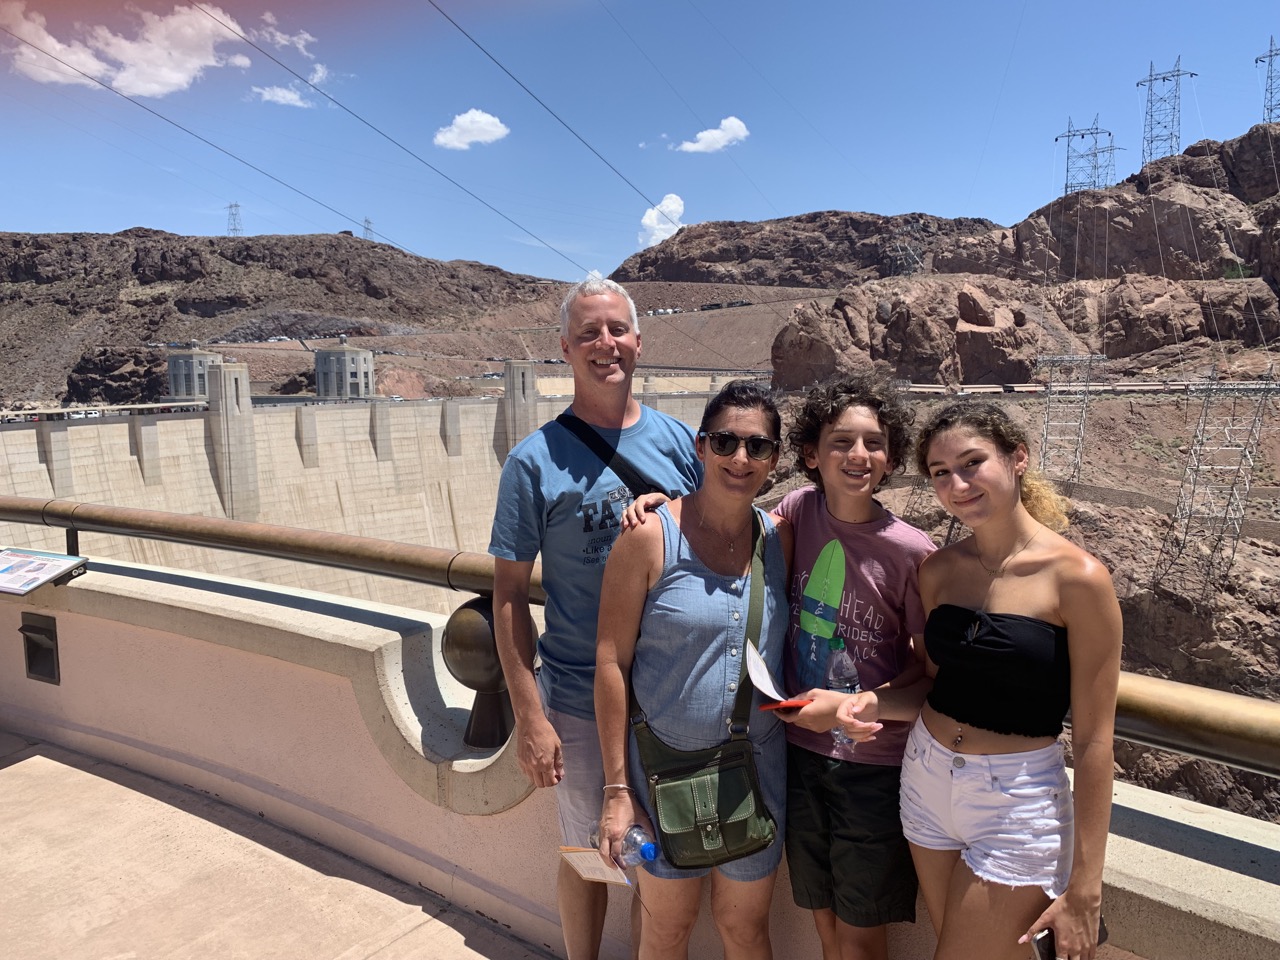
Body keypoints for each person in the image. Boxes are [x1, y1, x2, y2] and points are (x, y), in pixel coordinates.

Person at [488, 277, 702, 960]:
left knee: (656, 863)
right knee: (587, 851)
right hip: (578, 700)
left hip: (668, 699)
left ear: (638, 340)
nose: (605, 344)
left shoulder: (680, 443)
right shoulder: (533, 462)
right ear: (565, 349)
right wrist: (531, 716)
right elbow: (507, 597)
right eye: (589, 333)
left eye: (616, 330)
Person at [900, 400, 1122, 960]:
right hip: (926, 783)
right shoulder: (939, 570)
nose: (958, 484)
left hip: (1017, 802)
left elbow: (1096, 740)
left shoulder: (1079, 579)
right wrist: (856, 706)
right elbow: (934, 686)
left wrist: (1085, 885)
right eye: (940, 473)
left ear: (1017, 458)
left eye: (973, 463)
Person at [595, 380, 792, 960]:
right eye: (726, 442)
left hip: (756, 777)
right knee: (666, 931)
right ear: (700, 447)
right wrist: (616, 792)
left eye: (757, 447)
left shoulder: (779, 539)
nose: (740, 458)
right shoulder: (650, 536)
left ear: (774, 460)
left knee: (746, 932)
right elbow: (610, 661)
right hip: (661, 777)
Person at [772, 374, 937, 960]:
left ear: (891, 458)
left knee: (862, 936)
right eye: (842, 441)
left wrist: (852, 708)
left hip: (873, 768)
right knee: (823, 923)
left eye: (874, 442)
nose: (858, 455)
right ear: (812, 454)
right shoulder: (798, 510)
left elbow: (931, 680)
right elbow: (725, 526)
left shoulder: (912, 552)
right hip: (799, 756)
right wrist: (667, 504)